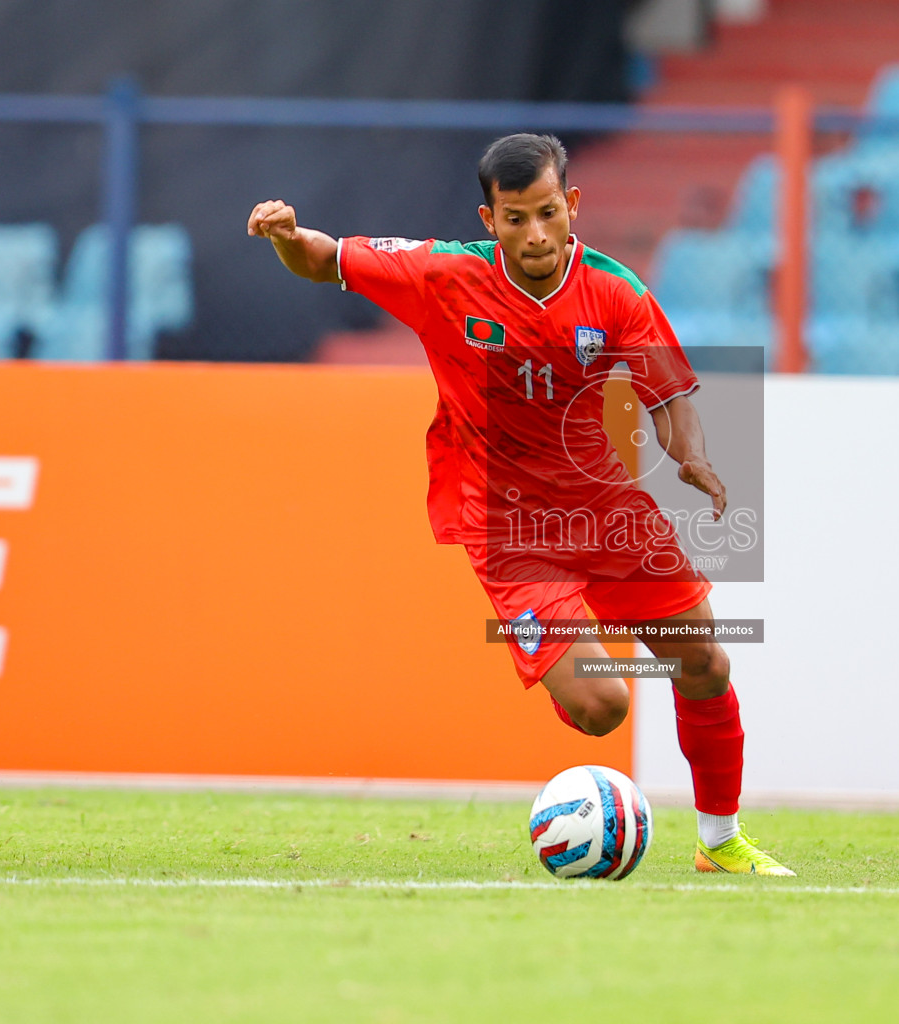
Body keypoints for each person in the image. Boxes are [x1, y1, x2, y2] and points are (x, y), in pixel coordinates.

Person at [247, 132, 791, 875]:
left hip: (605, 511)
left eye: (546, 214)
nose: (534, 234)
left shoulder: (615, 291)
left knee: (703, 662)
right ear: (489, 218)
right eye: (514, 219)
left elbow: (668, 393)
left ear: (570, 205)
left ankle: (720, 841)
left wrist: (689, 454)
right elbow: (323, 257)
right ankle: (583, 796)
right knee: (603, 710)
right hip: (510, 530)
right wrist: (284, 235)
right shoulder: (443, 274)